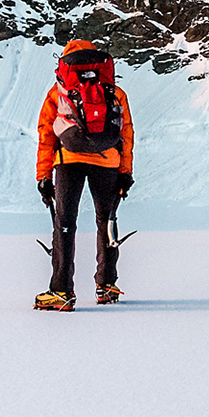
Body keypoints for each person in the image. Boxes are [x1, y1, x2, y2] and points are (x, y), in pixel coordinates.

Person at [33, 39, 135, 311]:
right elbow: (126, 134)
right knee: (107, 220)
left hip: (68, 161)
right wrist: (125, 171)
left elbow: (46, 134)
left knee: (65, 224)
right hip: (108, 161)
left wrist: (43, 176)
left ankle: (61, 291)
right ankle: (107, 285)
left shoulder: (59, 93)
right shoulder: (115, 92)